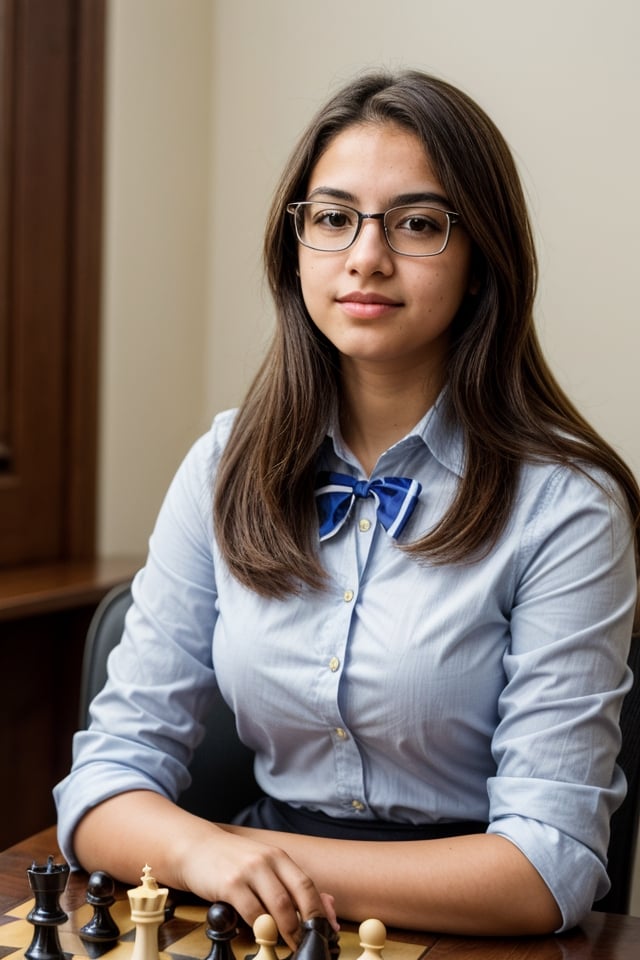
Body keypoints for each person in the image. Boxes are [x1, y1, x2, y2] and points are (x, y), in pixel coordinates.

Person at [54, 69, 639, 943]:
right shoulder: (223, 464)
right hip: (258, 925)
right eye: (332, 218)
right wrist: (211, 860)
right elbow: (103, 784)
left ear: (483, 258)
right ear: (295, 248)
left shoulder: (568, 506)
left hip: (468, 934)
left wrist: (243, 857)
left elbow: (544, 867)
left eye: (417, 223)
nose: (366, 256)